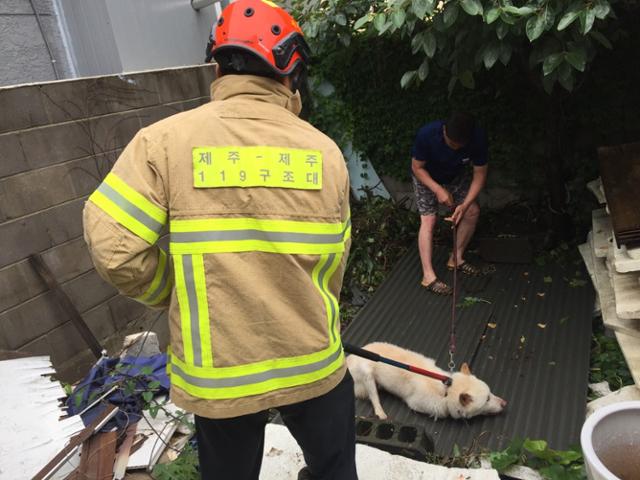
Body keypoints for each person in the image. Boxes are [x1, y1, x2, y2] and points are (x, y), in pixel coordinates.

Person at [82, 1, 356, 479]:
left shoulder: (162, 143)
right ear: (292, 70)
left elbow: (114, 249)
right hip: (313, 362)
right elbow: (333, 265)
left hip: (220, 375)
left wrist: (174, 291)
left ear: (217, 65)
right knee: (335, 471)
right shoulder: (325, 153)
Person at [411, 112, 488, 295]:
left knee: (472, 212)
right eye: (451, 144)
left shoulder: (477, 138)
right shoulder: (427, 134)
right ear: (444, 130)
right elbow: (417, 167)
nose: (454, 149)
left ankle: (456, 258)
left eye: (459, 146)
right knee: (428, 220)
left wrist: (465, 204)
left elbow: (480, 175)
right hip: (426, 176)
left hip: (455, 176)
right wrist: (437, 189)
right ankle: (428, 277)